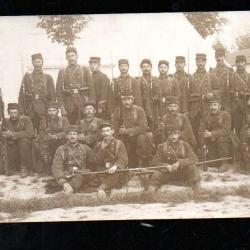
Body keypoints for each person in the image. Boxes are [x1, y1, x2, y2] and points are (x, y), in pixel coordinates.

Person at [146, 123, 201, 193]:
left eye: (175, 134)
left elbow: (194, 159)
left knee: (192, 168)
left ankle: (197, 190)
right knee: (156, 174)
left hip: (182, 173)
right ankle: (150, 192)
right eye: (171, 134)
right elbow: (154, 163)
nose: (173, 136)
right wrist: (166, 166)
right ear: (168, 135)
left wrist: (180, 163)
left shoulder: (185, 145)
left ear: (179, 134)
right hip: (167, 173)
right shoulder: (162, 147)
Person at [52, 125, 96, 195]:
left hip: (83, 173)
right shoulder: (61, 149)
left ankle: (70, 188)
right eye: (70, 134)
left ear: (78, 136)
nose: (72, 136)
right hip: (68, 175)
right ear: (66, 136)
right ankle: (68, 188)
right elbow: (56, 167)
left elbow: (95, 160)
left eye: (74, 134)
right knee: (76, 180)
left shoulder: (84, 147)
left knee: (95, 177)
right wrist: (63, 182)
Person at [56, 47, 96, 124]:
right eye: (69, 56)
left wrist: (91, 105)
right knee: (71, 128)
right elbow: (58, 91)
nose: (71, 58)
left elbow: (92, 89)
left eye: (73, 55)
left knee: (84, 126)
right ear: (66, 58)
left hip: (83, 103)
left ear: (77, 56)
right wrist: (62, 107)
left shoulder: (85, 69)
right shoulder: (62, 71)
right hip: (69, 105)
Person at [18, 53, 56, 133]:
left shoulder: (48, 77)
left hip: (44, 108)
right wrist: (21, 110)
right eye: (35, 62)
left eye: (39, 62)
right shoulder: (27, 77)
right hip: (30, 108)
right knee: (30, 130)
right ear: (32, 63)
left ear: (42, 63)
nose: (37, 64)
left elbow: (52, 95)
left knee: (44, 130)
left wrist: (52, 109)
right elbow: (21, 95)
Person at [111, 94, 151, 168]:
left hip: (137, 138)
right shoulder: (118, 111)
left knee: (141, 138)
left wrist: (127, 131)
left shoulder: (139, 110)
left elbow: (143, 127)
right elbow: (114, 128)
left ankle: (140, 163)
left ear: (133, 100)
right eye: (124, 99)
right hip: (125, 139)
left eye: (128, 99)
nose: (126, 102)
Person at [93, 122, 128, 199]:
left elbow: (123, 159)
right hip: (103, 171)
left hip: (115, 170)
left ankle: (101, 188)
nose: (106, 133)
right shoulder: (98, 145)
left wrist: (115, 167)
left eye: (107, 130)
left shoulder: (119, 144)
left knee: (116, 174)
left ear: (112, 131)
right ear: (101, 133)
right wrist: (102, 149)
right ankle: (104, 188)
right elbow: (96, 161)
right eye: (103, 131)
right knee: (94, 175)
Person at [189, 53, 220, 138]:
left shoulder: (211, 76)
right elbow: (187, 95)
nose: (200, 63)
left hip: (207, 107)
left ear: (205, 62)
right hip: (194, 109)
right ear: (195, 63)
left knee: (208, 130)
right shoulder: (190, 77)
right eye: (198, 61)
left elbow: (219, 90)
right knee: (195, 131)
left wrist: (212, 94)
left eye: (202, 61)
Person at [33, 101, 69, 174]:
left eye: (54, 110)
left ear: (57, 111)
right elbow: (41, 134)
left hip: (61, 141)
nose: (51, 113)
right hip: (49, 142)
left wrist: (56, 136)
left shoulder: (63, 120)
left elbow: (67, 132)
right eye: (49, 110)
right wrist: (47, 138)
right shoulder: (44, 122)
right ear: (47, 111)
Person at [198, 95, 231, 171]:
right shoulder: (205, 116)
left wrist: (211, 134)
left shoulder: (226, 115)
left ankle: (224, 162)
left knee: (222, 138)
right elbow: (200, 130)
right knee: (212, 163)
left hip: (223, 142)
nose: (212, 107)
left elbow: (226, 131)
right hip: (211, 142)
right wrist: (202, 143)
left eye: (215, 105)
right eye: (210, 105)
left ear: (220, 106)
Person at [1, 103, 34, 177]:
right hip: (11, 143)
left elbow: (30, 133)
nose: (13, 115)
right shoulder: (5, 121)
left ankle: (24, 167)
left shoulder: (26, 119)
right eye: (11, 113)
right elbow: (2, 133)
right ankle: (8, 167)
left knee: (24, 142)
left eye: (15, 112)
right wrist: (4, 134)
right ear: (8, 113)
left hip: (24, 143)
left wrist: (13, 134)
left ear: (19, 112)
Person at [230, 55, 250, 136]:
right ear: (236, 64)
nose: (240, 64)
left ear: (245, 63)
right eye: (238, 62)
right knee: (235, 132)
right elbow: (225, 92)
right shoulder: (231, 76)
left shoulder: (249, 76)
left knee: (247, 131)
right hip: (234, 107)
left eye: (242, 62)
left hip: (247, 107)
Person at [138, 59, 158, 132]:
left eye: (148, 66)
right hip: (143, 106)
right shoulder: (138, 80)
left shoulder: (156, 79)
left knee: (155, 124)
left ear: (151, 67)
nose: (146, 68)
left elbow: (159, 93)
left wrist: (156, 97)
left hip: (154, 106)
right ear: (141, 68)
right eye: (144, 67)